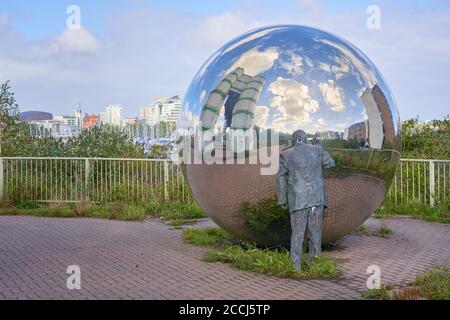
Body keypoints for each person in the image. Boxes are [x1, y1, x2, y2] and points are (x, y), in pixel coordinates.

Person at [277, 130, 335, 270]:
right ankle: (315, 265)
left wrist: (282, 198)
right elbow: (330, 164)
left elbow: (280, 177)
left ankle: (295, 266)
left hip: (298, 200)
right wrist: (321, 149)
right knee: (315, 234)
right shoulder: (317, 150)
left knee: (297, 235)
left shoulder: (286, 154)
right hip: (317, 199)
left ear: (294, 139)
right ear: (305, 139)